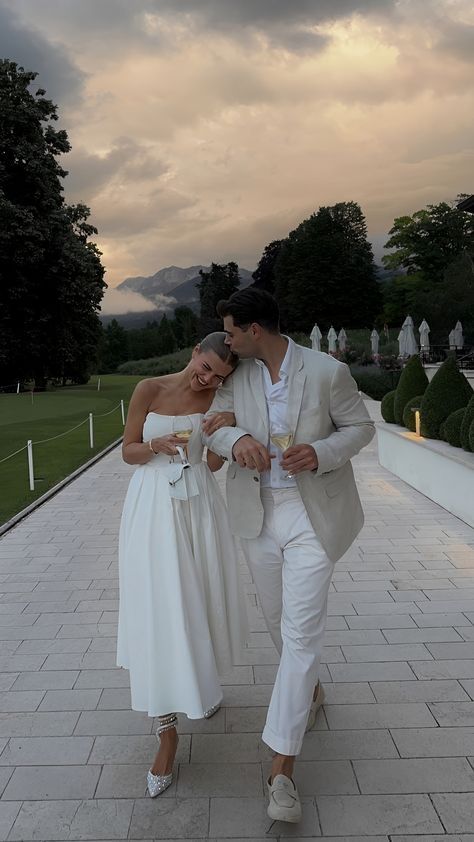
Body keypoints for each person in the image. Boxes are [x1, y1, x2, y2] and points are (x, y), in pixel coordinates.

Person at [202, 289, 375, 823]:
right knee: (278, 622)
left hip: (311, 517)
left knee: (301, 635)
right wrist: (237, 442)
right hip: (257, 515)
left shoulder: (327, 372)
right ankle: (310, 690)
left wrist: (321, 452)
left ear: (256, 329)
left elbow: (362, 427)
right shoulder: (239, 373)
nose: (225, 341)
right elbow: (214, 421)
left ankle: (281, 771)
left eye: (231, 331)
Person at [117, 332, 248, 798]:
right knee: (159, 611)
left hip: (199, 508)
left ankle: (200, 683)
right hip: (152, 507)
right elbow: (128, 450)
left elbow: (212, 465)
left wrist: (220, 432)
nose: (207, 378)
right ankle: (166, 735)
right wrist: (156, 447)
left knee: (202, 601)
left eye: (218, 375)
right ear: (195, 351)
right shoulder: (149, 389)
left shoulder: (220, 397)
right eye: (205, 366)